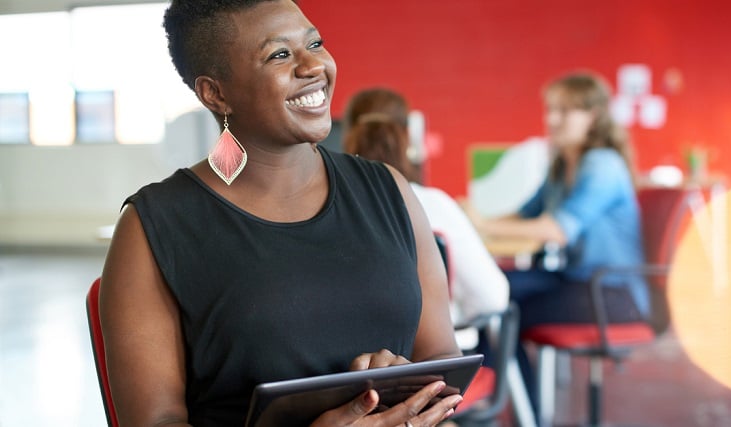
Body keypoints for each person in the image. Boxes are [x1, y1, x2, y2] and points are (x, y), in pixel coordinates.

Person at [98, 1, 463, 426]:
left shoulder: (389, 189)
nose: (314, 66)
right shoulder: (151, 228)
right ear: (215, 93)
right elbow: (155, 421)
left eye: (315, 43)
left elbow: (441, 356)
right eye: (280, 54)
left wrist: (403, 389)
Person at [471, 71, 648, 407]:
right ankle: (506, 405)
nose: (552, 119)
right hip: (575, 279)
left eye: (565, 111)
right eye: (551, 109)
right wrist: (475, 222)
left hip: (611, 292)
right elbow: (525, 215)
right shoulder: (561, 163)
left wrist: (483, 225)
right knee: (485, 290)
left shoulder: (602, 165)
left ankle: (519, 412)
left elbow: (556, 229)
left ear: (592, 116)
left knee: (500, 311)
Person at [341, 90, 509, 344]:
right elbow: (493, 297)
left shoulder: (324, 208)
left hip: (351, 368)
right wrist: (454, 314)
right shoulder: (434, 205)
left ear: (346, 136)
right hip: (436, 362)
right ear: (408, 136)